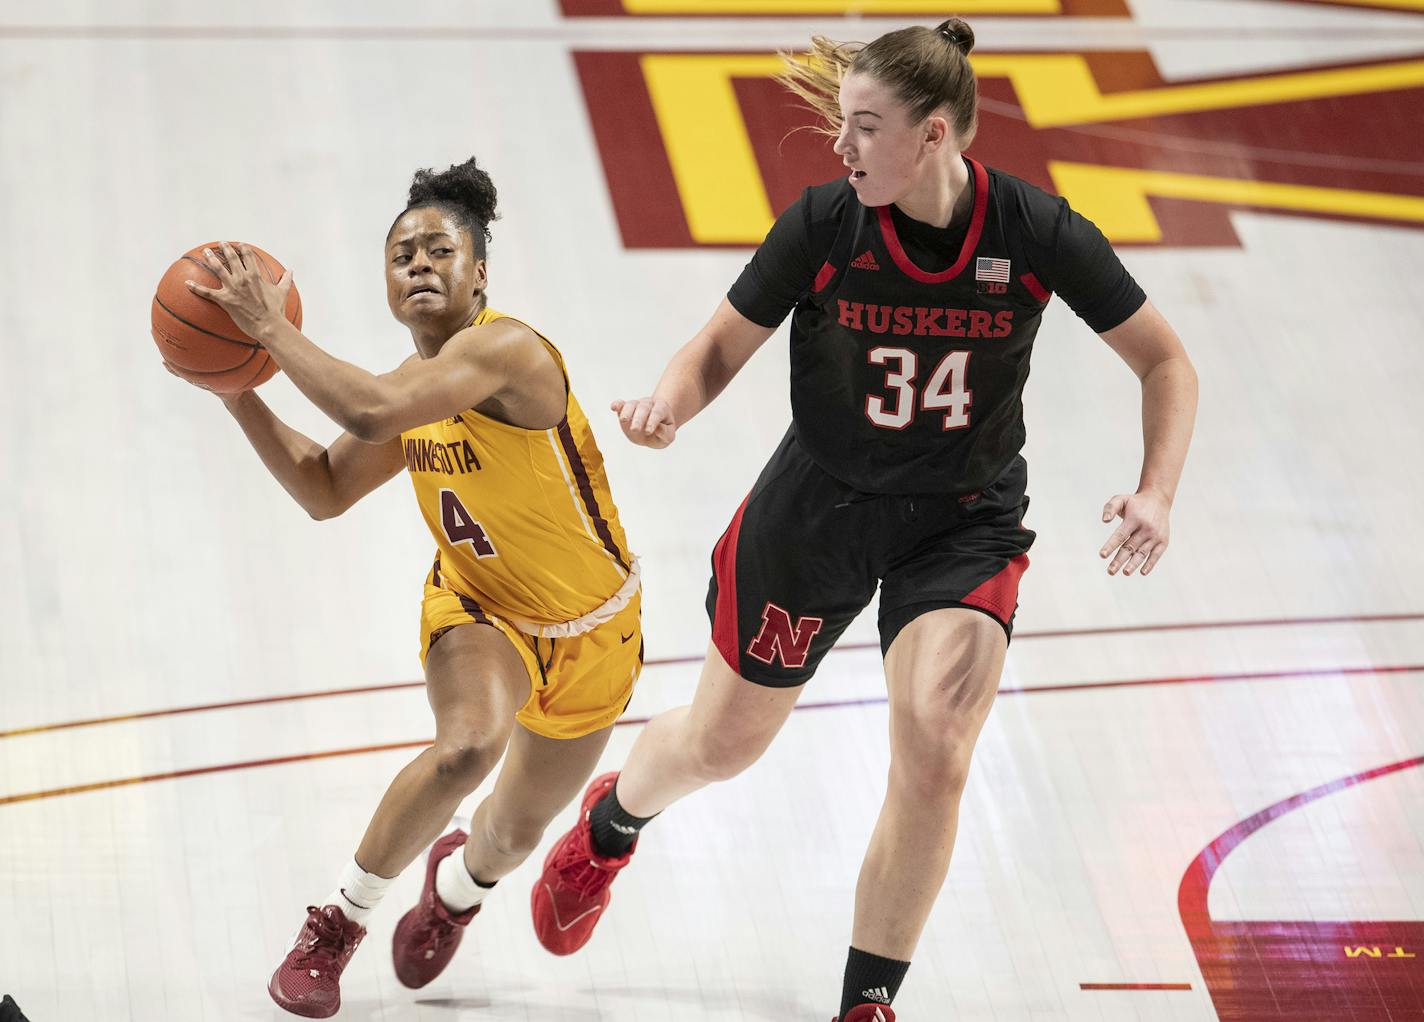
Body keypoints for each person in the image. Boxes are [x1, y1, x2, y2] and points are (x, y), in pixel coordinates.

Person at [532, 18, 1198, 1022]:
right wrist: (670, 403)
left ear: (933, 135)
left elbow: (1165, 361)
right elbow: (715, 346)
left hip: (960, 517)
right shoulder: (824, 224)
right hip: (817, 509)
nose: (837, 147)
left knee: (936, 743)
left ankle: (866, 1000)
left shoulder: (1031, 230)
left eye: (863, 127)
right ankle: (613, 820)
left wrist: (1155, 488)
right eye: (840, 122)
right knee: (721, 744)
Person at [179, 157, 643, 1018]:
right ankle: (335, 929)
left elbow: (368, 413)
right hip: (479, 609)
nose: (420, 263)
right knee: (469, 745)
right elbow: (324, 487)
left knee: (510, 835)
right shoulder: (408, 385)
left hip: (597, 632)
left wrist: (267, 332)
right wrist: (233, 384)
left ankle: (457, 891)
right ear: (388, 284)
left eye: (440, 249)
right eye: (402, 255)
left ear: (480, 274)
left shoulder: (506, 351)